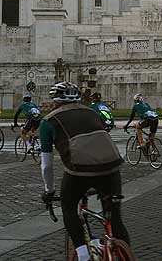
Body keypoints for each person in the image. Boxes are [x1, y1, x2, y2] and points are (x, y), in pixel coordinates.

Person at [39, 82, 129, 261]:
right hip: (112, 166)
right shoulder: (92, 112)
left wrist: (49, 191)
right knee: (115, 218)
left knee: (68, 206)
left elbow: (46, 165)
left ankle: (83, 255)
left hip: (79, 171)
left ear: (55, 101)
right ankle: (124, 253)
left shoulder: (48, 122)